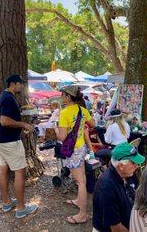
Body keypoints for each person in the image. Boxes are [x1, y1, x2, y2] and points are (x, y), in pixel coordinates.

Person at [0, 75, 38, 219]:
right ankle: (21, 208)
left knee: (3, 169)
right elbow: (5, 120)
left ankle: (7, 202)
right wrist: (23, 124)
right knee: (20, 172)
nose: (22, 87)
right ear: (13, 84)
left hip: (0, 139)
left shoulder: (4, 95)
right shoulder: (7, 98)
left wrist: (22, 110)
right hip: (10, 141)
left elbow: (7, 116)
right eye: (20, 84)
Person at [57, 85, 95, 224]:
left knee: (80, 182)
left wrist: (56, 130)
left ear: (68, 96)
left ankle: (82, 215)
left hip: (72, 151)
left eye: (62, 94)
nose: (61, 97)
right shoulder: (83, 110)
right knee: (82, 179)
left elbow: (61, 137)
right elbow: (93, 124)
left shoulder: (64, 113)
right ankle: (79, 200)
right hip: (81, 148)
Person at [93, 142, 143, 232]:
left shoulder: (129, 174)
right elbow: (115, 227)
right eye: (133, 163)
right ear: (121, 166)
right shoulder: (106, 187)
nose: (137, 166)